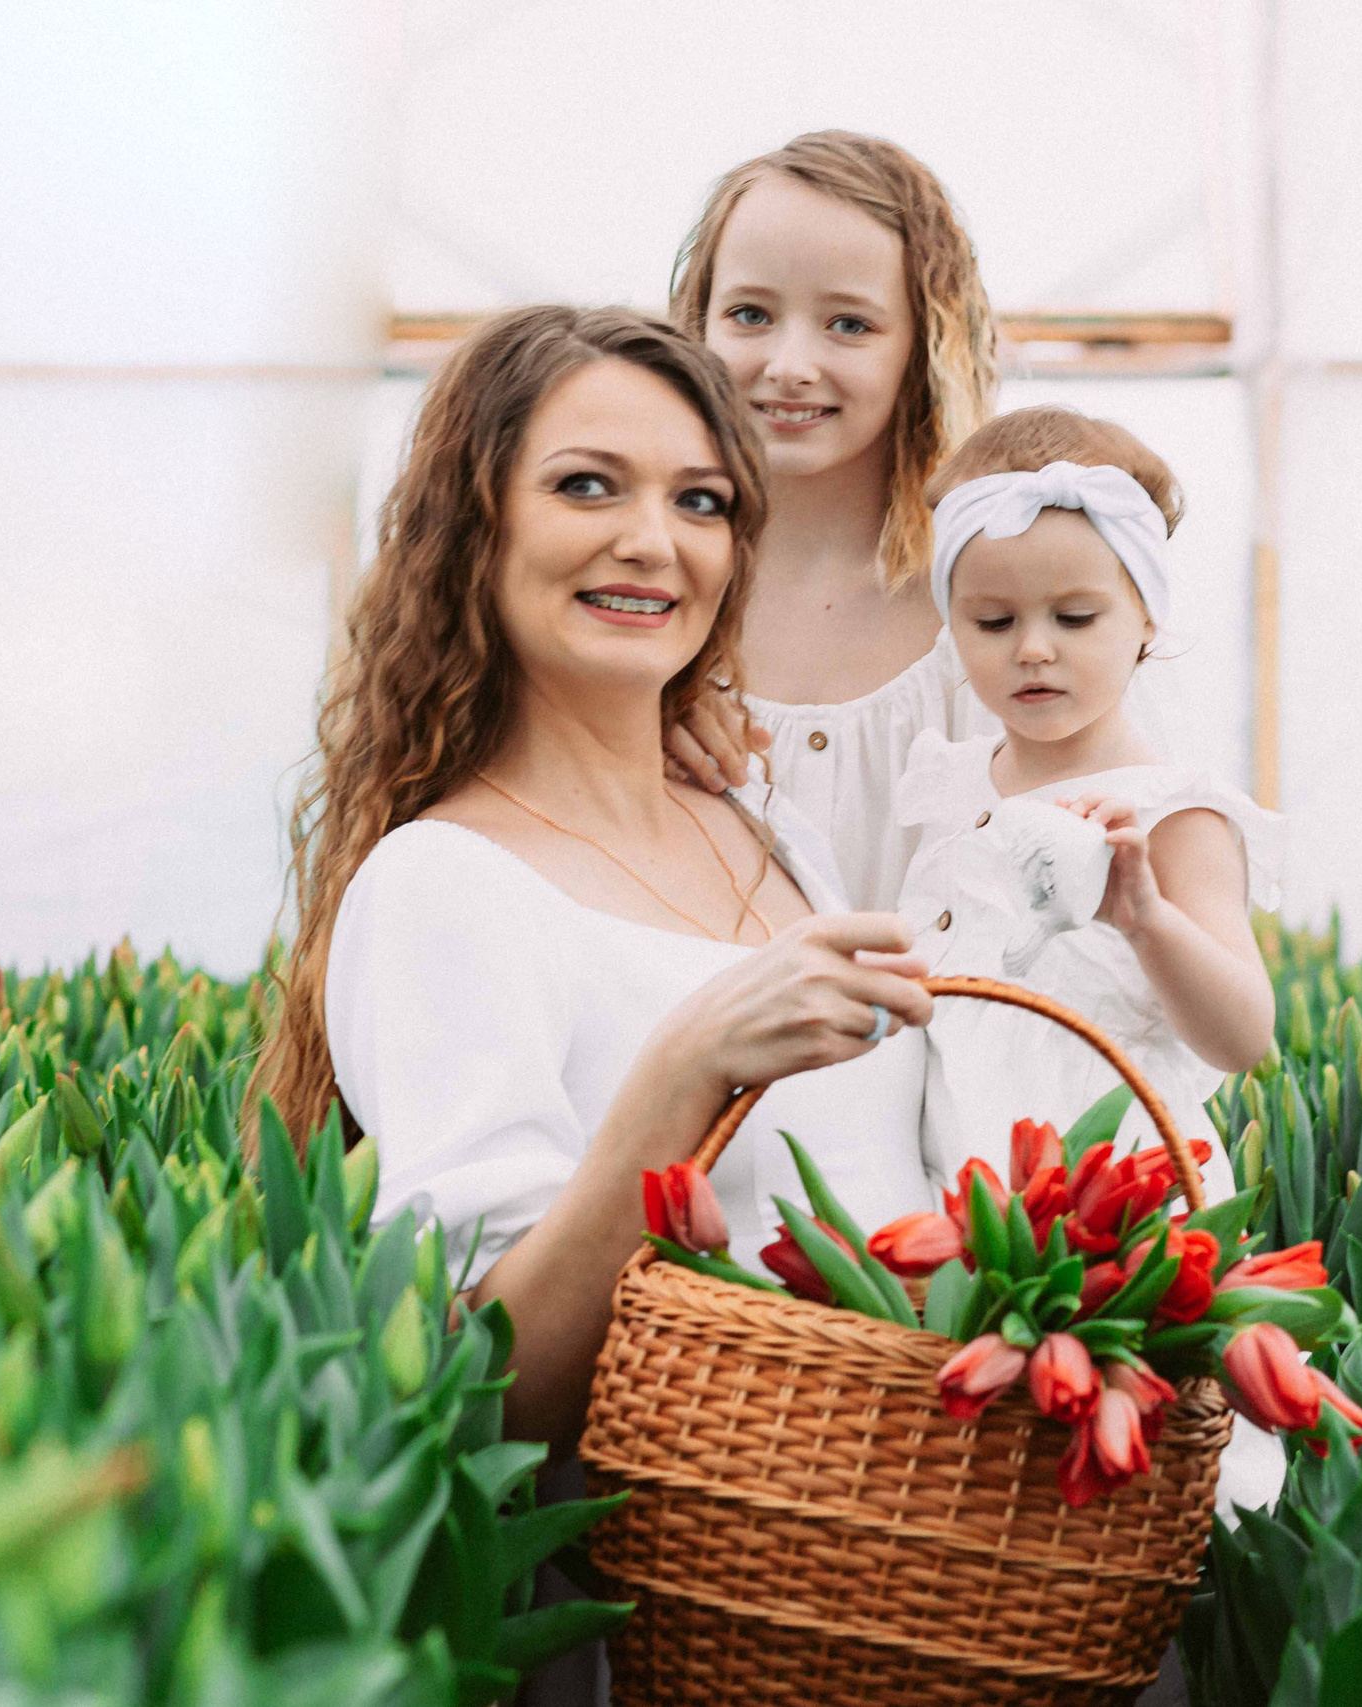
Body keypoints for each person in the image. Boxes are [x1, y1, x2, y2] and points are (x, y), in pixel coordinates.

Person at [246, 305, 939, 1458]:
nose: (652, 541)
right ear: (472, 528)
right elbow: (491, 1385)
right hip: (690, 1585)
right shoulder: (444, 885)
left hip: (914, 1550)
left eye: (700, 501)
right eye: (585, 487)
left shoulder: (773, 837)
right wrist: (684, 1070)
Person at [895, 406, 1281, 1209]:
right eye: (993, 620)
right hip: (955, 1175)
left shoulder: (1170, 813)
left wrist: (1147, 920)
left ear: (1145, 615)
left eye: (1075, 617)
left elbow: (1245, 1035)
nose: (1033, 647)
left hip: (1114, 1187)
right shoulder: (955, 785)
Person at [657, 129, 1003, 910]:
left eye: (848, 324)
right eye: (750, 314)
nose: (788, 365)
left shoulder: (1000, 594)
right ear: (697, 324)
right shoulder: (640, 586)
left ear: (924, 346)